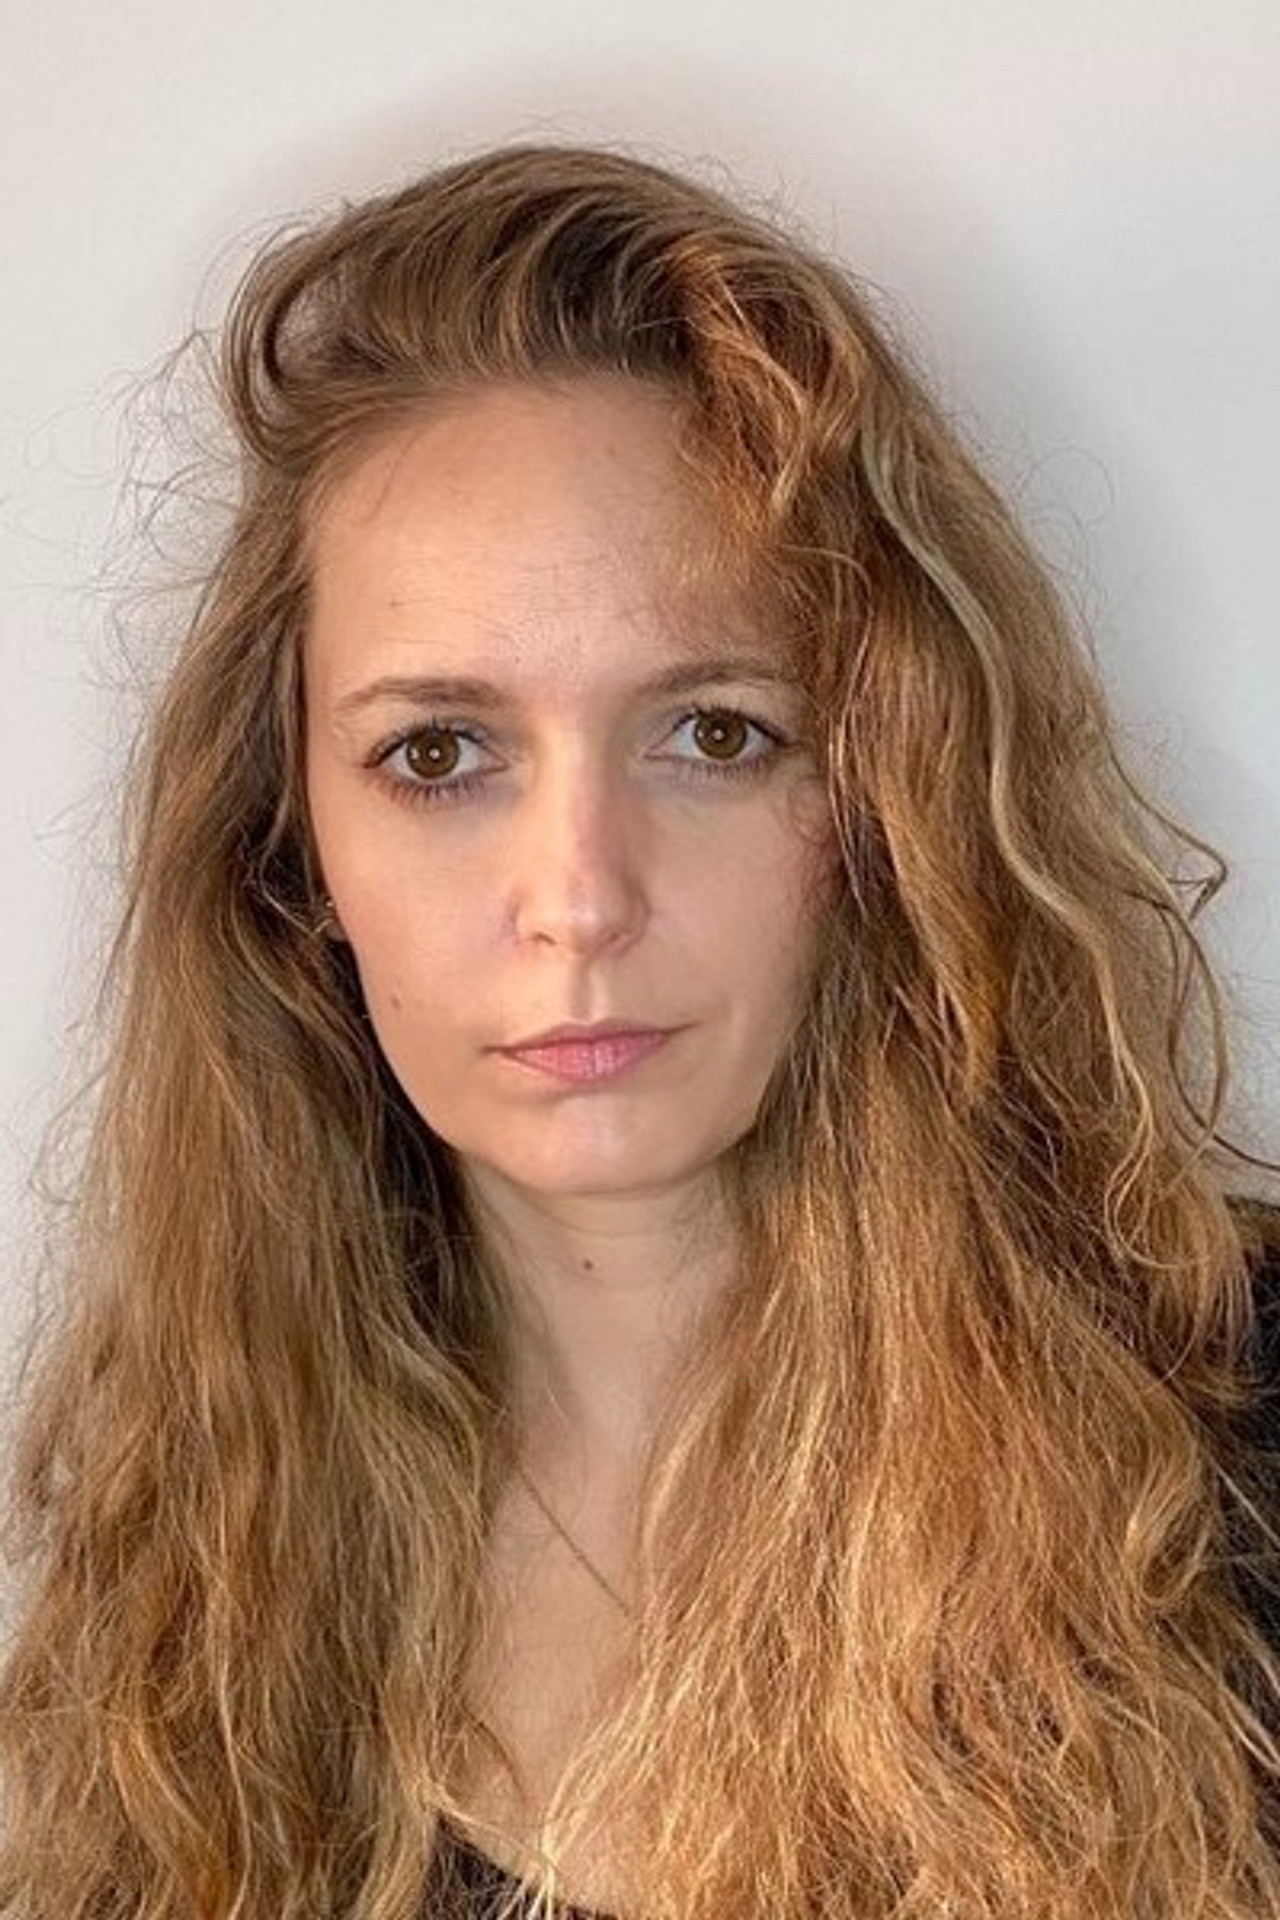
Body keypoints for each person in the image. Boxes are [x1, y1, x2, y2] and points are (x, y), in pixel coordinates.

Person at [0, 142, 1277, 1920]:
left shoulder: (1235, 1443)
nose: (580, 897)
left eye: (715, 734)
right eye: (439, 753)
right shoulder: (178, 1594)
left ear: (888, 799)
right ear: (291, 852)